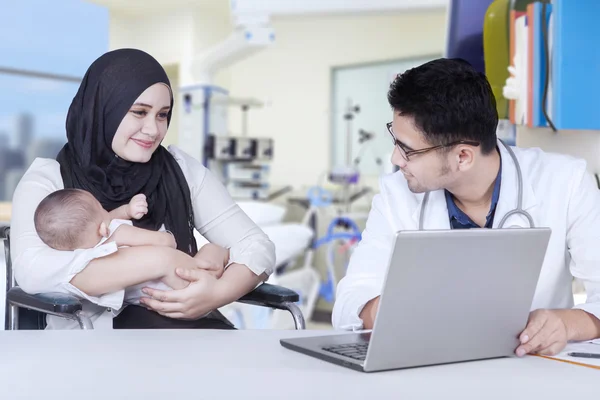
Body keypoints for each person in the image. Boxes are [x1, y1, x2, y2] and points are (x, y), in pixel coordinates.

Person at [332, 58, 600, 356]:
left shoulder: (567, 182)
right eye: (396, 142)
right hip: (428, 368)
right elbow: (348, 301)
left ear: (462, 157)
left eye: (407, 150)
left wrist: (566, 324)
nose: (396, 159)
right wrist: (390, 310)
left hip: (531, 372)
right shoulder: (396, 196)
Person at [11, 48, 275, 330]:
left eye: (162, 115)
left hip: (193, 331)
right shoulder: (49, 179)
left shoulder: (179, 169)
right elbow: (33, 271)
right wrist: (160, 261)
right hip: (100, 345)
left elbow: (257, 246)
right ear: (103, 109)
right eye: (139, 112)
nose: (153, 130)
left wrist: (217, 294)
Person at [33, 188, 229, 305]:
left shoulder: (85, 257)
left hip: (154, 299)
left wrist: (127, 210)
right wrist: (167, 234)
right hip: (181, 281)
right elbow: (167, 243)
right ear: (102, 228)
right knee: (213, 249)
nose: (108, 212)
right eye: (102, 209)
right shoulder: (119, 233)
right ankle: (220, 270)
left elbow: (109, 219)